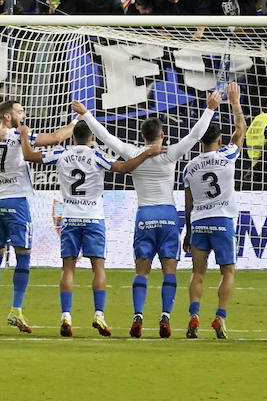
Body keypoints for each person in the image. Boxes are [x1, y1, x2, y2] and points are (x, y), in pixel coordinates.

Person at [75, 91, 217, 339]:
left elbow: (105, 136)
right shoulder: (169, 153)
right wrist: (210, 109)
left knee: (141, 271)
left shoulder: (132, 152)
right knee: (169, 270)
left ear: (142, 136)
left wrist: (86, 114)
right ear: (162, 135)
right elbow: (195, 135)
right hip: (167, 215)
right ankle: (165, 316)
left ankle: (138, 316)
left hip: (145, 215)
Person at [23, 115, 161, 337]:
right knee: (98, 267)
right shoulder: (97, 155)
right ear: (92, 137)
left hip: (70, 217)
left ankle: (66, 316)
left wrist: (23, 135)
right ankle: (99, 315)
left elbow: (28, 155)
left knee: (68, 267)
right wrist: (146, 153)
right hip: (93, 218)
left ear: (73, 137)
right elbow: (124, 168)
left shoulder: (61, 154)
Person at [0, 101, 77, 335]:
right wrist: (77, 122)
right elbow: (55, 138)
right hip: (16, 201)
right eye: (19, 111)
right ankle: (16, 309)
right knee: (23, 256)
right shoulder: (17, 135)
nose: (23, 115)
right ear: (7, 116)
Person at [181, 82, 248, 339]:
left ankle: (193, 315)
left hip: (199, 223)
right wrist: (234, 101)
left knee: (198, 273)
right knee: (228, 271)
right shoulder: (228, 155)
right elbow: (240, 129)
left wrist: (188, 233)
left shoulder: (189, 167)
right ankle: (220, 317)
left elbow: (188, 204)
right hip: (222, 221)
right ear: (219, 140)